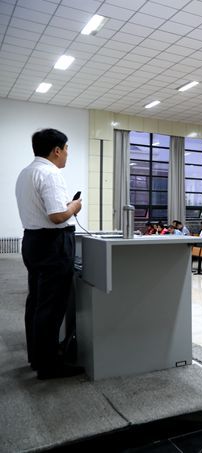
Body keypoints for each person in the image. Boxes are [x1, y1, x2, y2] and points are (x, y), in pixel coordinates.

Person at [15, 128, 84, 379]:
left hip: (33, 241)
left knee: (36, 302)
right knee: (51, 306)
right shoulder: (51, 173)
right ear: (56, 150)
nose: (67, 154)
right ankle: (49, 365)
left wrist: (66, 208)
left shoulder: (26, 173)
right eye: (66, 149)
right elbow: (57, 216)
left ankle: (37, 357)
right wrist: (74, 206)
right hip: (52, 245)